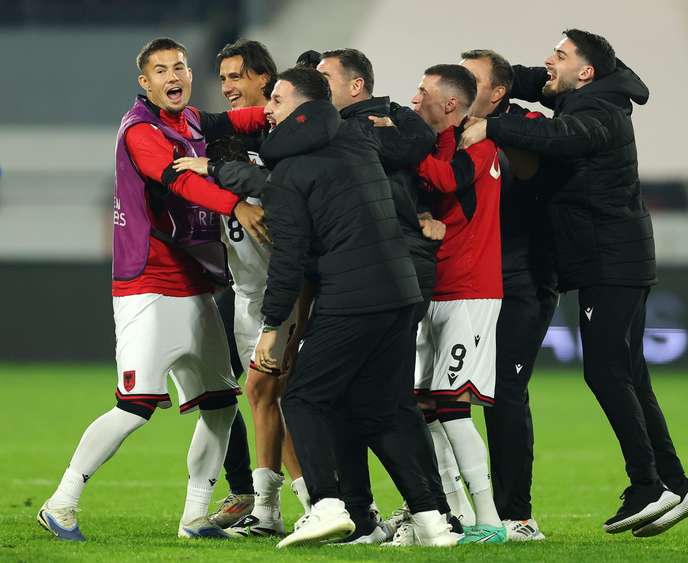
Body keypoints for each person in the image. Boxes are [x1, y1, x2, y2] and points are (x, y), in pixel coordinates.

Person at [461, 29, 688, 536]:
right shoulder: (583, 95)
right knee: (630, 373)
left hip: (609, 262)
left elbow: (559, 139)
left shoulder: (601, 114)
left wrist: (491, 127)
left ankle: (646, 483)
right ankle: (676, 482)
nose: (548, 62)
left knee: (604, 372)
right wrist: (491, 81)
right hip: (615, 258)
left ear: (587, 71)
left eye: (560, 56)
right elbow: (520, 80)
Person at [36, 37, 267, 541]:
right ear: (145, 83)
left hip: (194, 283)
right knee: (135, 406)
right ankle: (61, 503)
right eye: (160, 70)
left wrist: (298, 110)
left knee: (220, 404)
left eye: (179, 66)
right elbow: (181, 183)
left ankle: (195, 517)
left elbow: (245, 121)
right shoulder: (141, 130)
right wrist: (237, 205)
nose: (173, 76)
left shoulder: (192, 123)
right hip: (148, 284)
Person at [250, 66, 457, 548]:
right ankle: (431, 521)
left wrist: (271, 327)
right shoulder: (360, 143)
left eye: (276, 101)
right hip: (402, 290)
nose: (267, 110)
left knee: (302, 398)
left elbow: (289, 260)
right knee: (382, 407)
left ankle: (326, 506)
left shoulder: (290, 174)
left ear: (302, 110)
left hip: (354, 296)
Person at [316, 48, 460, 546]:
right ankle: (405, 514)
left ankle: (424, 512)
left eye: (325, 78)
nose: (317, 87)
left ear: (356, 87)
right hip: (381, 267)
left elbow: (409, 141)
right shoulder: (358, 126)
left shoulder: (369, 126)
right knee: (369, 396)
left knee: (378, 397)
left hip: (392, 268)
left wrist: (378, 125)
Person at [176, 38, 312, 536]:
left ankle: (320, 502)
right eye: (225, 79)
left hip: (291, 290)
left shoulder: (289, 142)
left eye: (238, 77)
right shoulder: (218, 142)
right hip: (247, 291)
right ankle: (271, 504)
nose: (229, 87)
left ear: (265, 80)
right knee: (261, 396)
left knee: (279, 397)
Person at [460, 48, 560, 542]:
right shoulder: (451, 129)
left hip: (523, 279)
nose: (459, 86)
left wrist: (492, 129)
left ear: (499, 93)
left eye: (471, 80)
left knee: (504, 392)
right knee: (440, 395)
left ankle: (517, 515)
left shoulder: (522, 123)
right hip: (466, 282)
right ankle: (449, 508)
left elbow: (529, 166)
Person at [411, 64, 506, 544]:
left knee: (452, 403)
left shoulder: (478, 146)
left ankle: (489, 519)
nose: (413, 98)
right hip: (434, 288)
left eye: (422, 91)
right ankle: (455, 512)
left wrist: (399, 145)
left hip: (470, 289)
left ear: (450, 103)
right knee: (425, 404)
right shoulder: (441, 146)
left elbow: (448, 181)